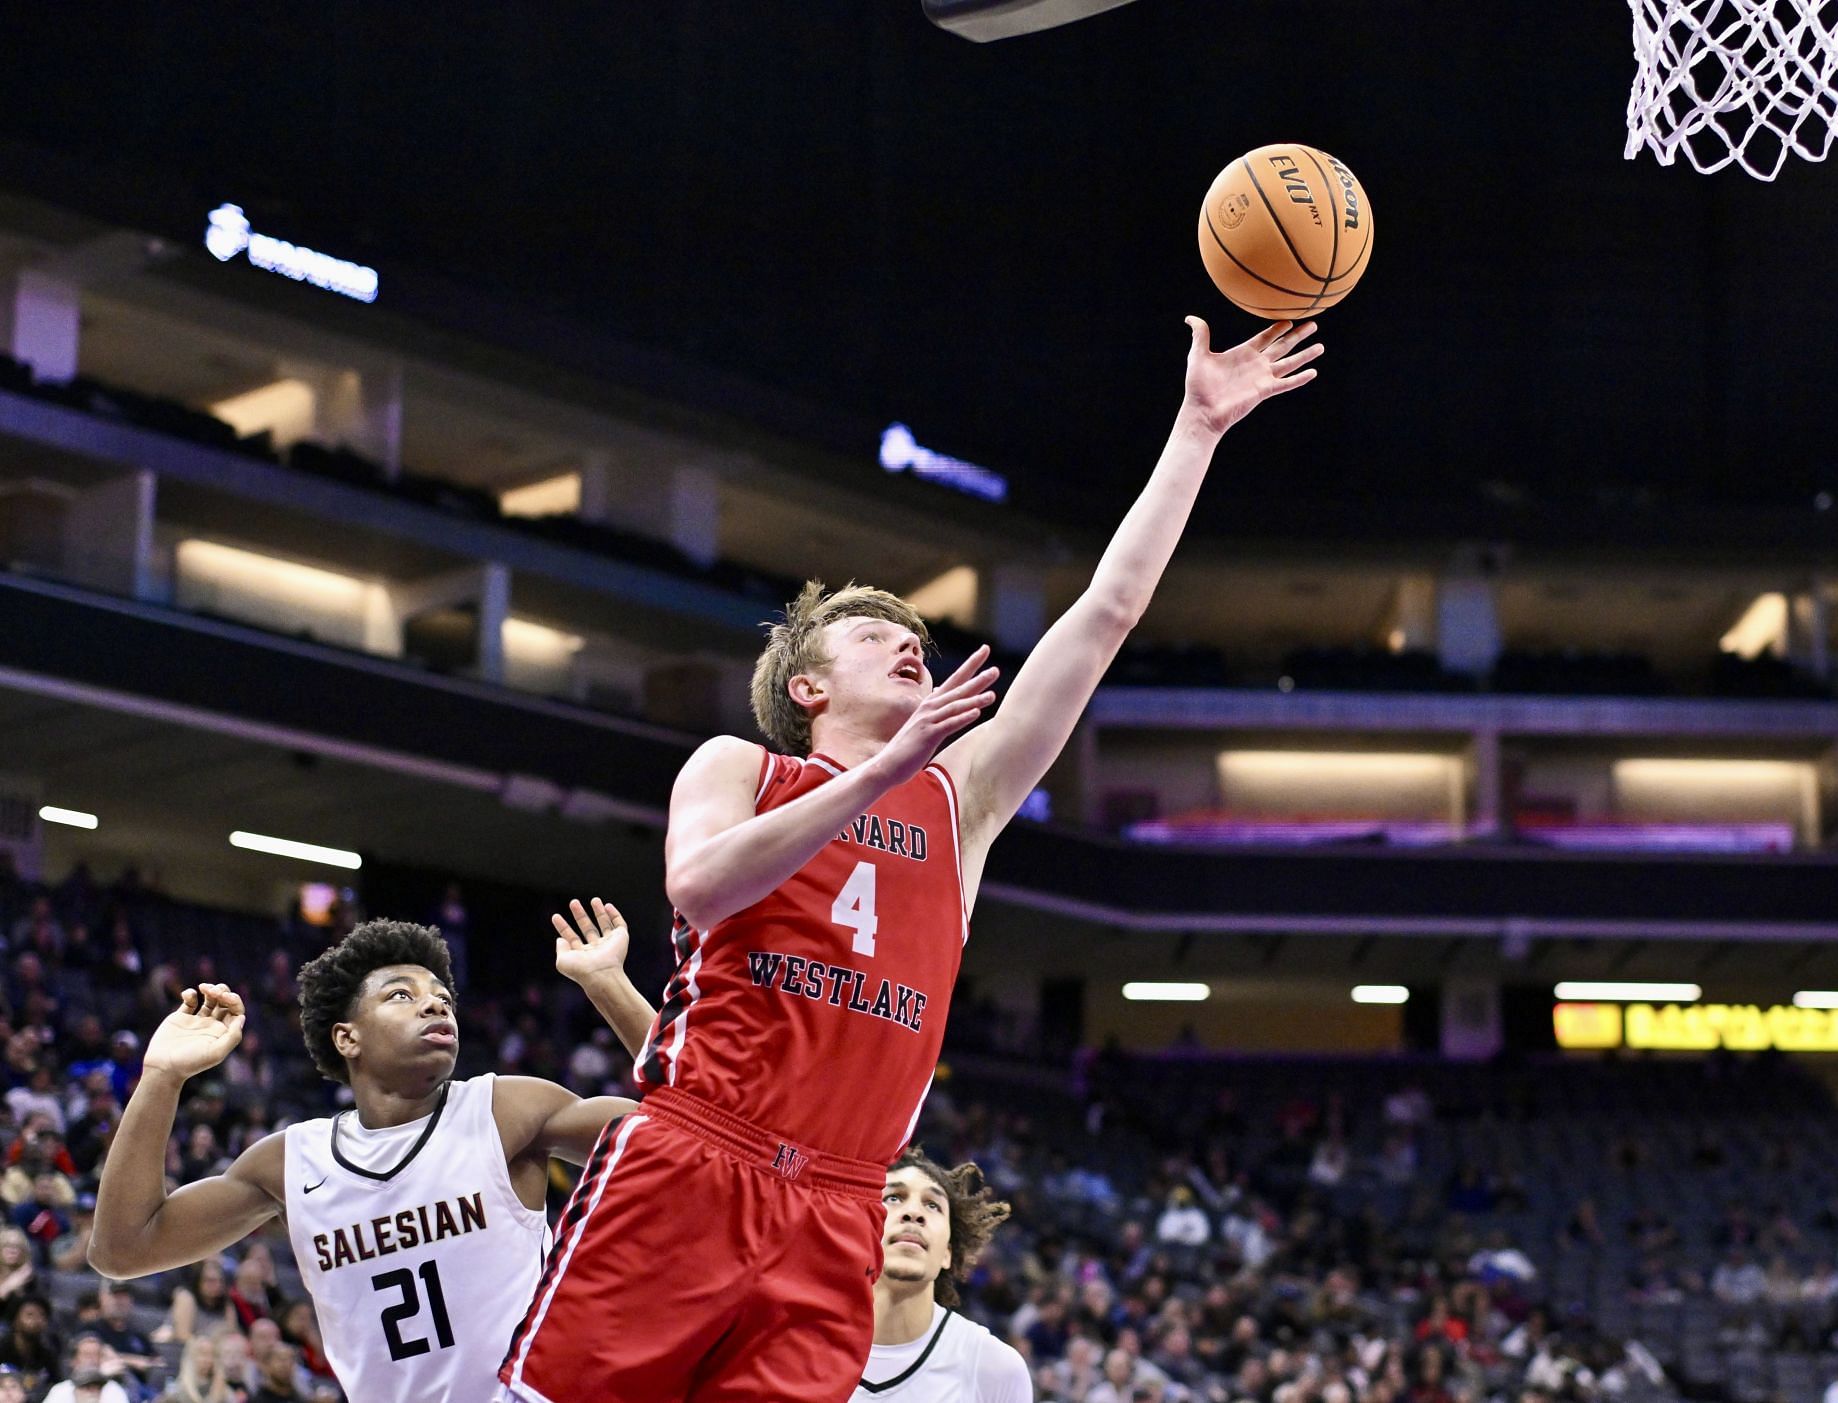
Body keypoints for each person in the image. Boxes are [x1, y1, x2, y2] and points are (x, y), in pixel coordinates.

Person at [499, 313, 1324, 1403]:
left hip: (842, 1205)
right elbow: (699, 886)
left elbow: (1108, 613)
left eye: (914, 635)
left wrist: (1198, 428)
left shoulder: (961, 797)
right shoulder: (739, 766)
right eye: (869, 632)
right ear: (807, 688)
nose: (908, 641)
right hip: (693, 1156)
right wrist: (877, 775)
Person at [92, 903, 657, 1403]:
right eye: (402, 996)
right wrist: (161, 1078)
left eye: (442, 999)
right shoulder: (291, 1162)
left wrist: (608, 984)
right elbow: (123, 1249)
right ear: (347, 1038)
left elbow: (700, 1135)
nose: (434, 1007)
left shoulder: (507, 1109)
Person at [851, 1148, 1028, 1402]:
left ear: (947, 1253)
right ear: (861, 1227)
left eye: (933, 1205)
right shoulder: (800, 1343)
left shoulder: (995, 1369)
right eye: (893, 1198)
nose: (914, 1213)